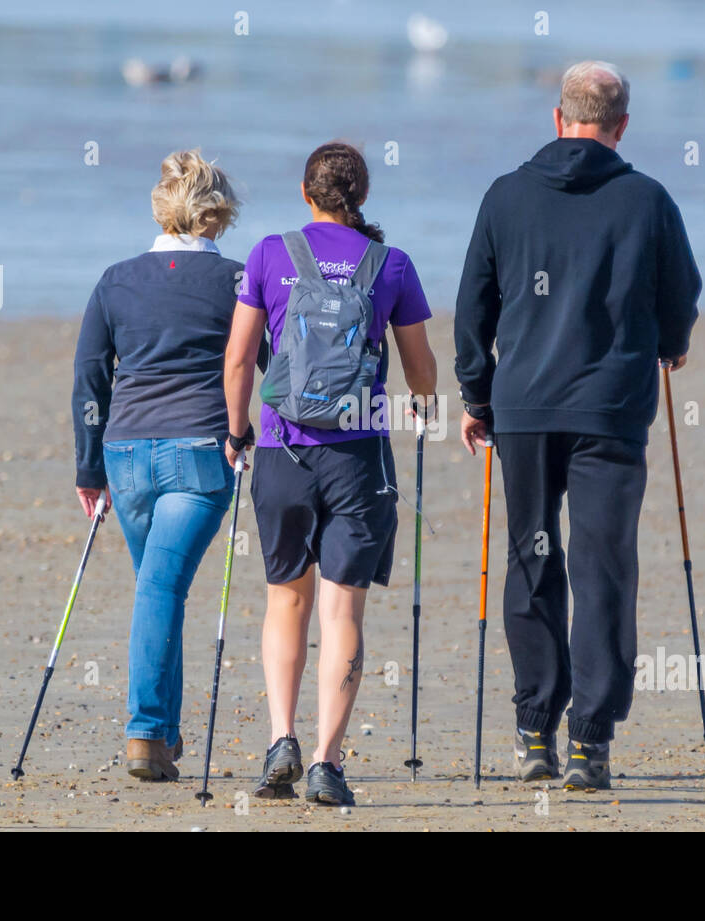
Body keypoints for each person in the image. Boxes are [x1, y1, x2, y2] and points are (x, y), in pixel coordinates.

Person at [454, 61, 702, 790]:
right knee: (603, 568)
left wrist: (477, 394)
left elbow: (474, 306)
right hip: (611, 412)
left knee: (533, 558)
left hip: (525, 409)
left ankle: (537, 727)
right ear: (622, 127)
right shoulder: (647, 200)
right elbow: (680, 293)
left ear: (559, 119)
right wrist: (671, 342)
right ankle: (589, 740)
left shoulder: (506, 196)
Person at [223, 141, 438, 806]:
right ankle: (325, 762)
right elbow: (421, 365)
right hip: (359, 455)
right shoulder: (391, 264)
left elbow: (238, 358)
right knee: (342, 607)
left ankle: (280, 738)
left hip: (285, 451)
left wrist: (238, 432)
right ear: (363, 195)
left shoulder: (269, 254)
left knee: (286, 598)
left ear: (305, 192)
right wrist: (425, 408)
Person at [72, 150, 245, 782]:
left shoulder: (116, 279)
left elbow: (91, 377)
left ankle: (163, 736)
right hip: (199, 453)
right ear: (216, 214)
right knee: (160, 590)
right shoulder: (236, 280)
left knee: (159, 590)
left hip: (125, 455)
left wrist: (89, 468)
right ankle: (146, 729)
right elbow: (268, 357)